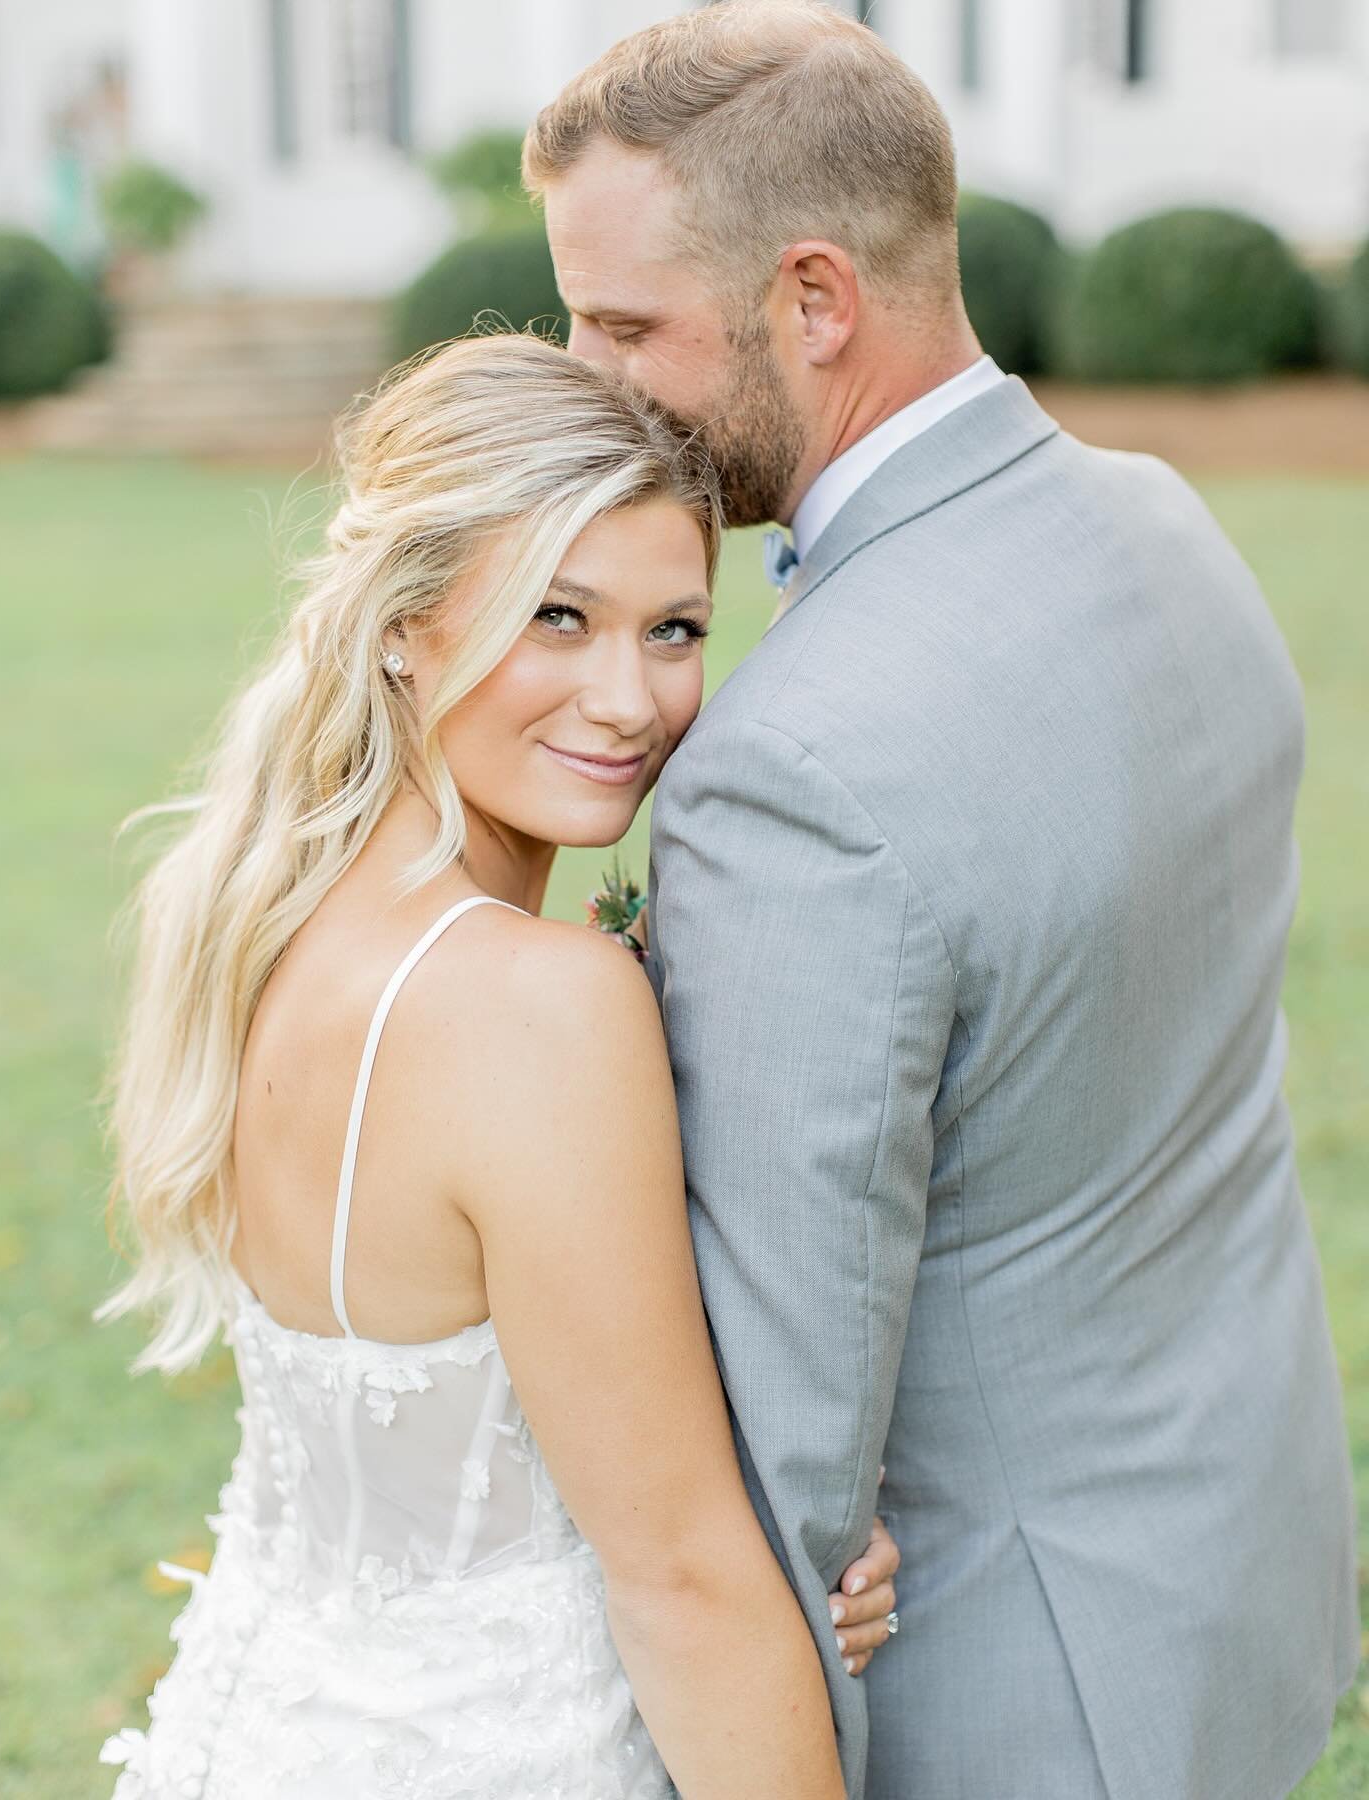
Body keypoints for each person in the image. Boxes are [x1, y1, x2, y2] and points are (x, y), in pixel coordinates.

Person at [524, 4, 1361, 1797]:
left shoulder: (792, 768)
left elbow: (788, 1408)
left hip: (1014, 1691)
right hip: (1240, 1575)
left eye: (623, 328)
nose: (585, 382)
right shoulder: (1166, 529)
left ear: (815, 300)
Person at [94, 334, 901, 1799]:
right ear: (406, 620)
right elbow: (679, 1579)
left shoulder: (262, 922)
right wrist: (757, 1570)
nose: (628, 700)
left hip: (262, 1733)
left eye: (673, 630)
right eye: (558, 616)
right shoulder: (539, 1008)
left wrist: (798, 1522)